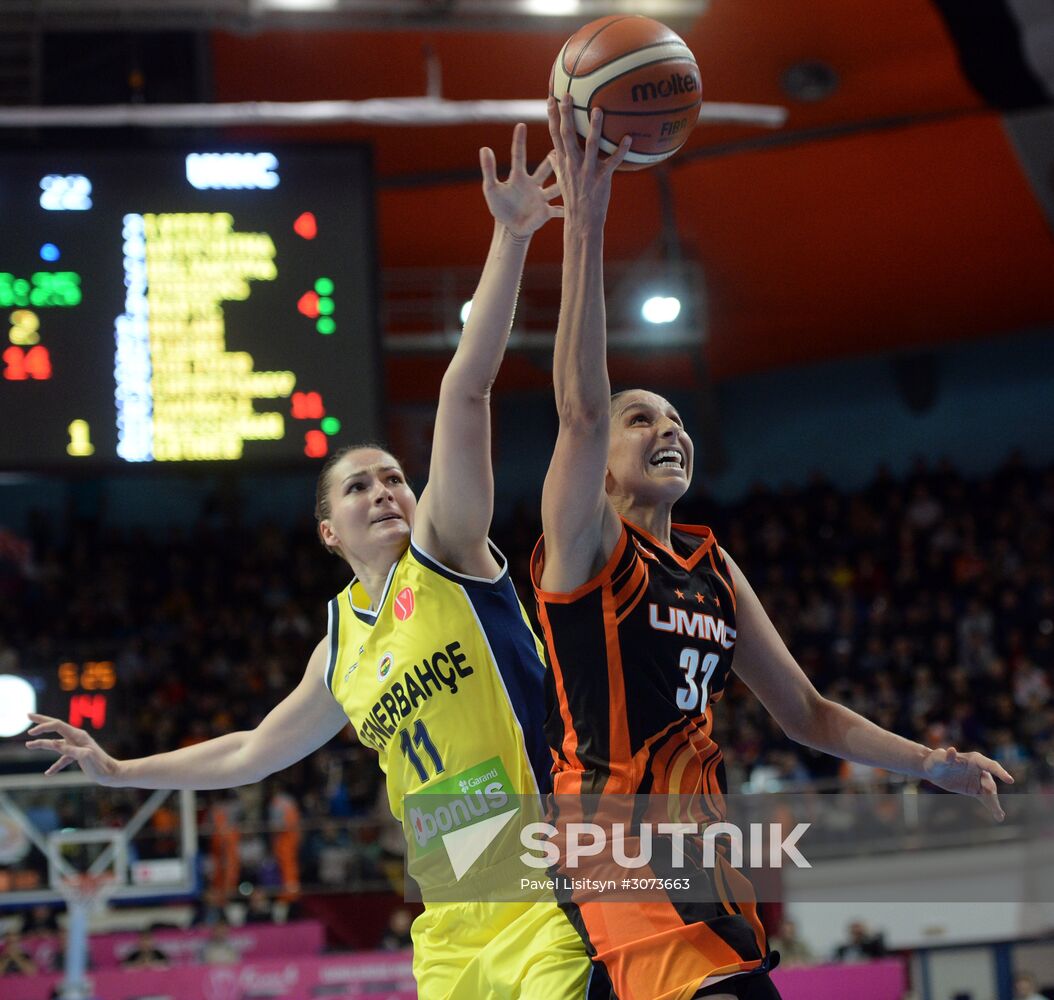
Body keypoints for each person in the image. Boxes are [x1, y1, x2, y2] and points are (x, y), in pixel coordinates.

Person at [26, 125, 599, 1000]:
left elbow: (465, 389)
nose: (385, 491)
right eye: (359, 486)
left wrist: (511, 235)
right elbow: (254, 750)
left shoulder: (448, 552)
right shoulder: (341, 648)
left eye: (394, 477)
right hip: (450, 924)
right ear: (329, 531)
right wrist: (122, 769)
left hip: (547, 890)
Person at [529, 93, 1015, 1000]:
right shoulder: (585, 545)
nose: (669, 431)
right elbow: (581, 411)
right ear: (602, 467)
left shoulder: (712, 566)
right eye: (643, 421)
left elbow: (809, 714)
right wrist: (586, 223)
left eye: (678, 420)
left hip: (704, 851)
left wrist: (930, 763)